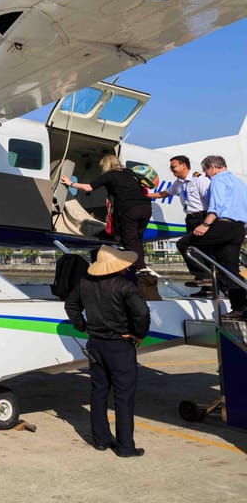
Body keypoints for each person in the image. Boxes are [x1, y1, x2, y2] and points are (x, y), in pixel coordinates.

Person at [65, 245, 150, 458]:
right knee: (123, 396)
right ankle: (125, 446)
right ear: (118, 266)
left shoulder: (85, 284)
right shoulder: (125, 286)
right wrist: (138, 334)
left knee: (99, 392)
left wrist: (83, 326)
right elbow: (141, 313)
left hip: (95, 344)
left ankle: (101, 440)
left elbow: (71, 306)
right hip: (119, 346)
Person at [176, 155, 247, 319]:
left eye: (206, 171)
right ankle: (241, 307)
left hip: (223, 225)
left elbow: (216, 205)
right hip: (238, 229)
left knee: (185, 244)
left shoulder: (218, 181)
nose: (206, 175)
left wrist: (205, 225)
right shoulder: (239, 183)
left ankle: (203, 277)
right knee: (230, 270)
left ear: (213, 167)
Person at [60, 155, 153, 278]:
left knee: (129, 240)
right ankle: (141, 266)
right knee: (138, 239)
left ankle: (141, 269)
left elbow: (88, 187)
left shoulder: (109, 175)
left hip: (129, 209)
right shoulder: (130, 173)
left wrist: (71, 183)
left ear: (105, 166)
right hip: (146, 207)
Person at [147, 155, 212, 293]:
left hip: (202, 217)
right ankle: (207, 288)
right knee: (196, 249)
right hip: (190, 218)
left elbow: (211, 199)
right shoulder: (179, 182)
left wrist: (208, 222)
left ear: (184, 165)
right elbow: (166, 193)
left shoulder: (198, 179)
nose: (172, 170)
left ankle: (205, 277)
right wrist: (147, 196)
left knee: (189, 246)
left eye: (173, 166)